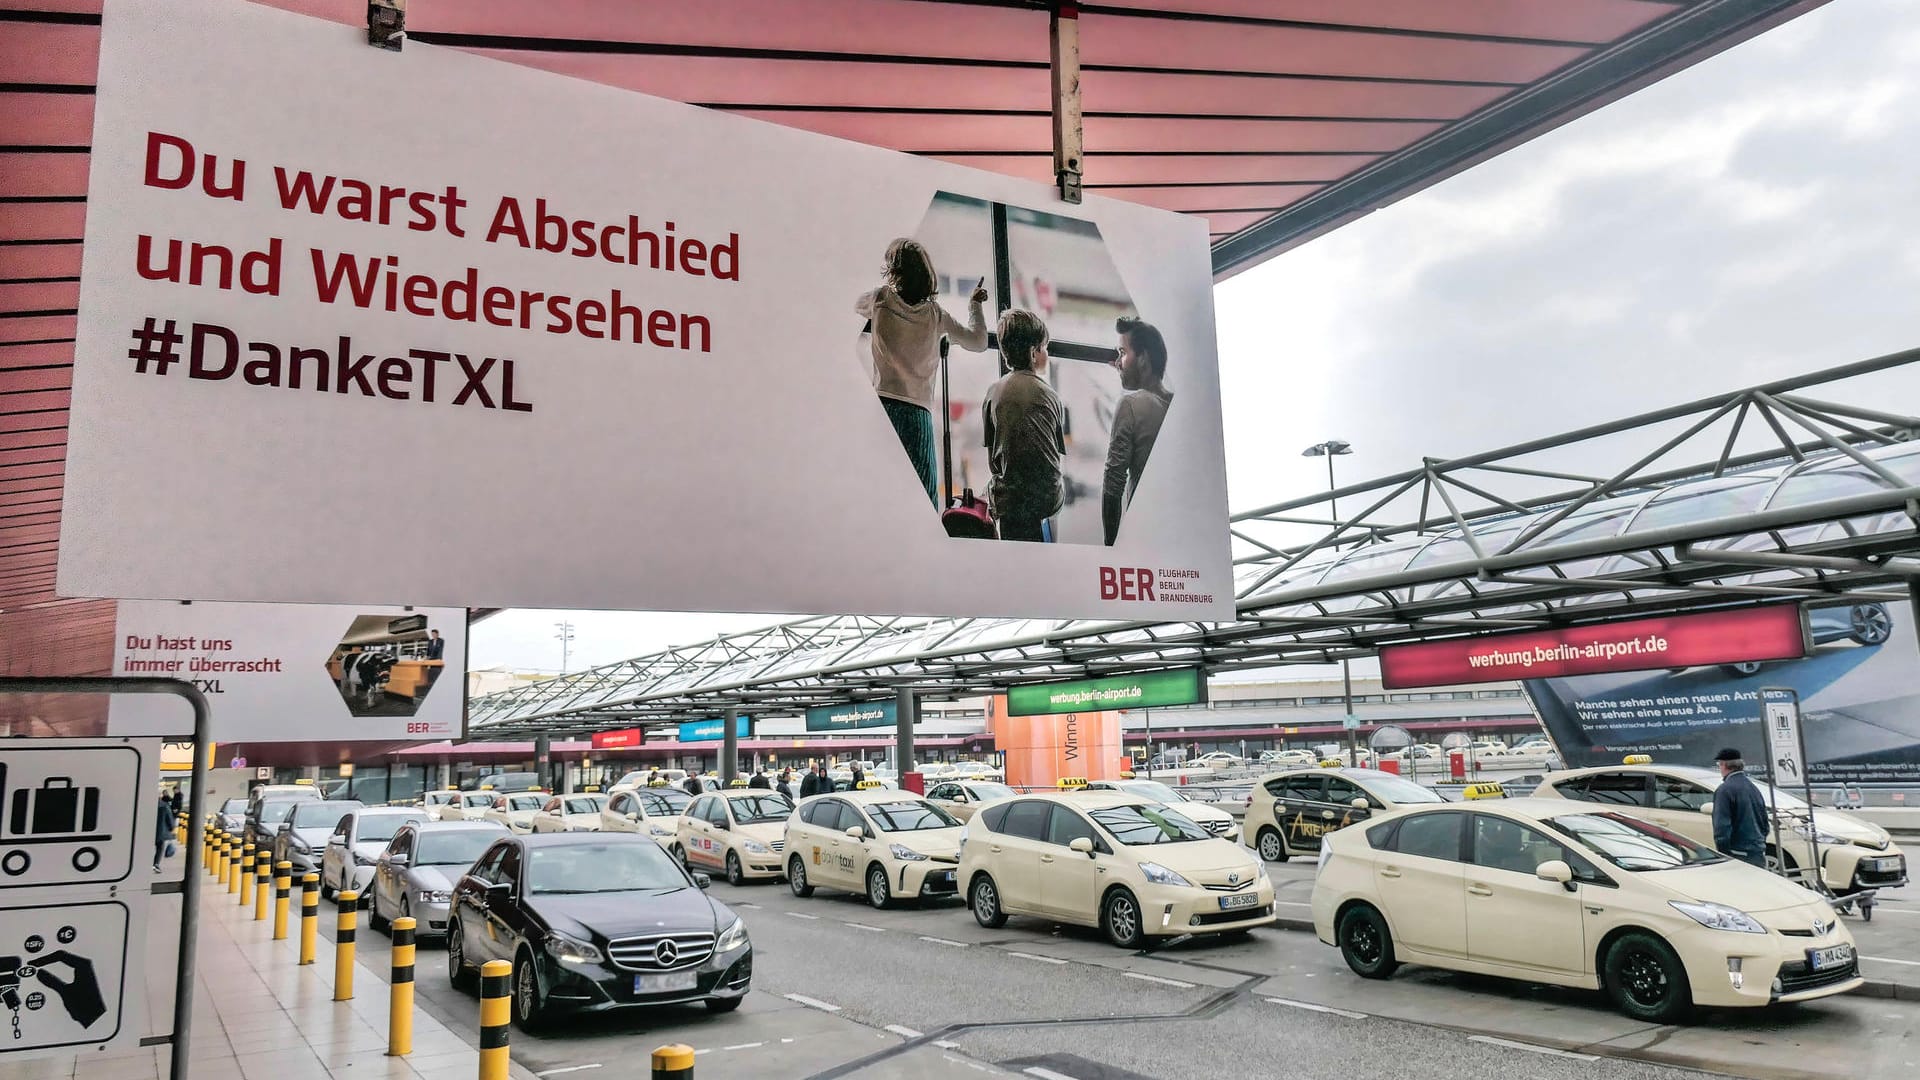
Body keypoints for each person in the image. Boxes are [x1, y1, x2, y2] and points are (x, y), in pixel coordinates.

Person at [856, 238, 991, 507]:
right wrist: (974, 305)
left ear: (894, 273)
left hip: (882, 407)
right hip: (917, 414)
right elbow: (978, 341)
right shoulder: (935, 315)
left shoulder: (880, 299)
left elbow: (856, 305)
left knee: (877, 494)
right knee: (922, 498)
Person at [981, 309, 1065, 542]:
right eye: (1044, 347)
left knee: (999, 492)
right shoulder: (1050, 395)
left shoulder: (992, 394)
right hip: (1046, 501)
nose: (1046, 353)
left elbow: (993, 463)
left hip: (1010, 506)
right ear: (1033, 353)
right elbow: (1054, 458)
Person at [1102, 316, 1174, 546]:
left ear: (1143, 358)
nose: (1118, 363)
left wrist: (1110, 546)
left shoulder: (1130, 405)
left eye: (1122, 352)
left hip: (1145, 534)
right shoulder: (1175, 404)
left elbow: (1113, 485)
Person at [1712, 747, 1770, 868]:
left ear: (1723, 765)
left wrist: (1723, 852)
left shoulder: (1724, 790)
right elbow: (1764, 822)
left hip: (1737, 852)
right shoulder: (1753, 787)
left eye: (1719, 764)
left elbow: (1721, 826)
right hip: (1757, 851)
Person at [153, 789, 173, 872]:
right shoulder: (164, 806)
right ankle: (156, 864)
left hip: (147, 831)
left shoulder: (145, 805)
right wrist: (171, 827)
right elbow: (169, 819)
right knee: (160, 848)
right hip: (160, 831)